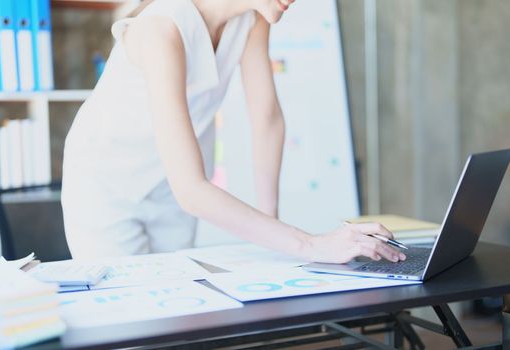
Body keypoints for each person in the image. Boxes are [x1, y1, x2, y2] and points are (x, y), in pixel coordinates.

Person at [61, 0, 406, 264]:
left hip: (169, 188)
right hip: (108, 188)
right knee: (127, 324)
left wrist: (274, 230)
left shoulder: (252, 17)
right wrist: (310, 244)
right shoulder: (160, 30)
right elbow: (192, 190)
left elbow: (267, 118)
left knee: (174, 316)